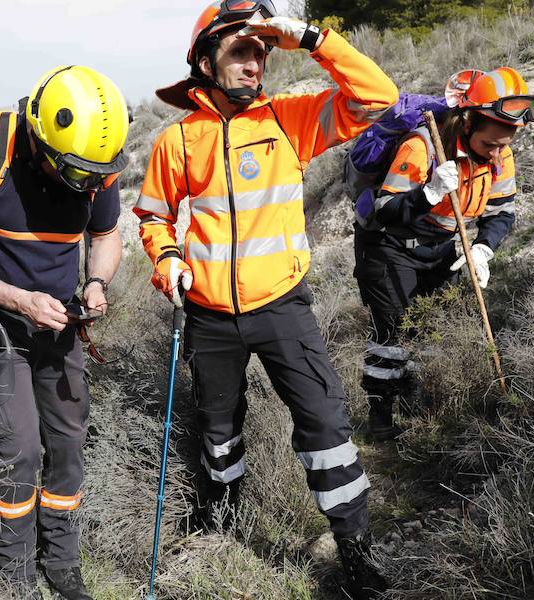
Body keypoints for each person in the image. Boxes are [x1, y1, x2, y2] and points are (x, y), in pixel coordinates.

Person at [133, 1, 397, 597]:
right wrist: (167, 260)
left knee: (326, 425)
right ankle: (223, 519)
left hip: (282, 309)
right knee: (219, 429)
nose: (256, 62)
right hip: (208, 317)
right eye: (241, 50)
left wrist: (308, 37)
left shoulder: (290, 120)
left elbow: (379, 97)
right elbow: (151, 217)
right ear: (205, 60)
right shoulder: (176, 141)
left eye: (262, 52)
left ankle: (355, 549)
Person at [0, 65, 129, 600]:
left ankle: (62, 564)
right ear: (38, 139)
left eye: (93, 175)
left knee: (67, 440)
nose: (86, 184)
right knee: (18, 447)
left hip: (58, 320)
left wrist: (97, 282)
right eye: (75, 173)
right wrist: (17, 299)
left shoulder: (95, 164)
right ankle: (14, 573)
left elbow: (105, 238)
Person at [354, 67, 534, 440]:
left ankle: (420, 406)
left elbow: (502, 211)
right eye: (490, 145)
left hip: (440, 247)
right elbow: (385, 210)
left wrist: (484, 248)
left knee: (431, 327)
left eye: (505, 144)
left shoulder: (501, 155)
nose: (498, 153)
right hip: (389, 246)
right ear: (468, 123)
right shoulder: (422, 147)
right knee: (392, 332)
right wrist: (430, 193)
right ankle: (381, 418)